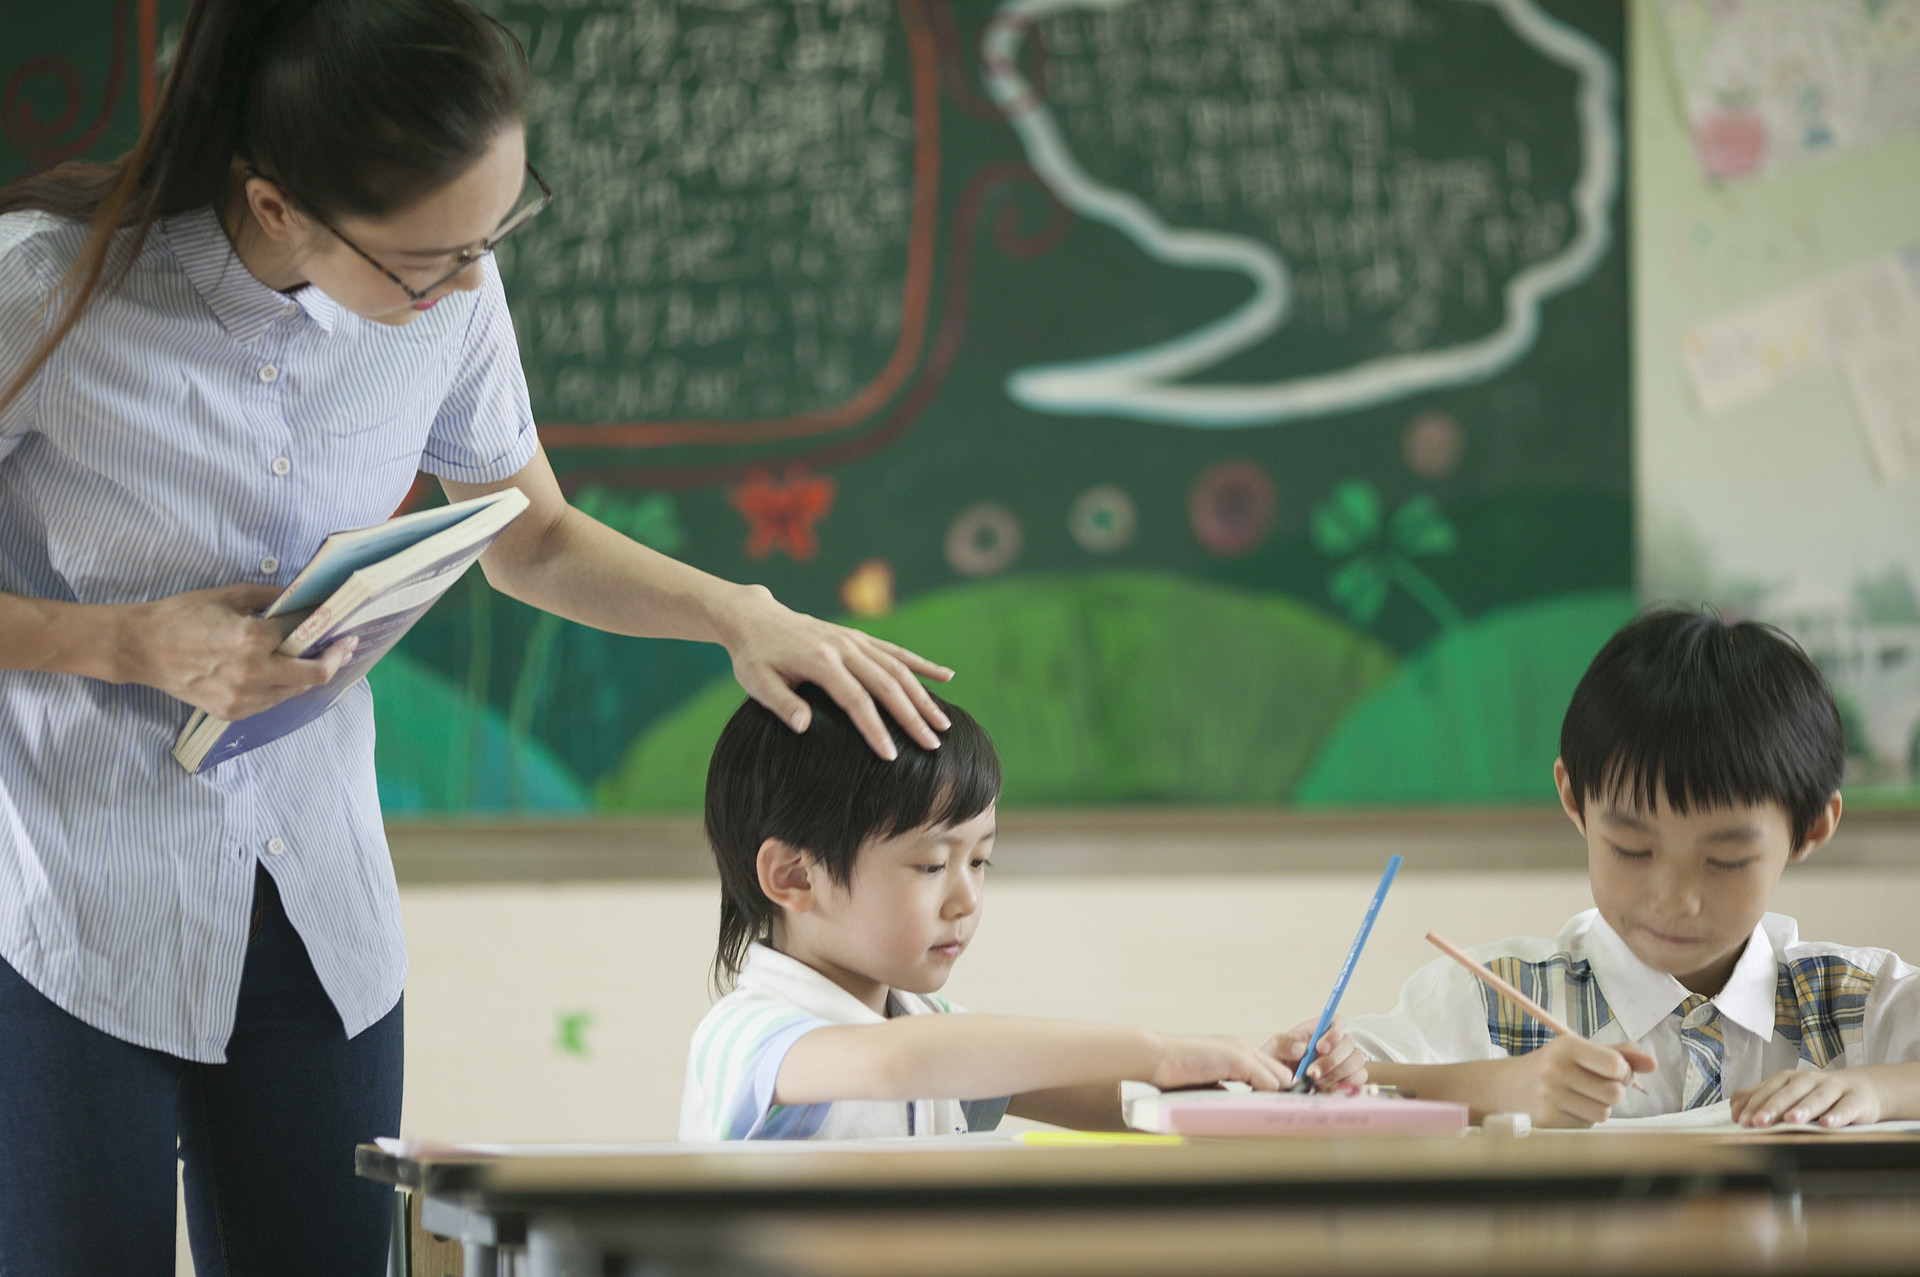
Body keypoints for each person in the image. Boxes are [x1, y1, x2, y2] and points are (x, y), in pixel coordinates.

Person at [0, 1, 953, 1271]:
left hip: (319, 905)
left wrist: (741, 614)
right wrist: (132, 646)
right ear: (279, 205)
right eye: (425, 262)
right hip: (69, 905)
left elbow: (531, 536)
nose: (464, 282)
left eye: (492, 235)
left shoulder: (451, 289)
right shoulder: (44, 288)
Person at [680, 684, 1367, 1141]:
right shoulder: (748, 1034)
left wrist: (1252, 1082)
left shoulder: (923, 1026)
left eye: (980, 861)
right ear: (793, 875)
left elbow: (1119, 1103)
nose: (967, 897)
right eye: (930, 865)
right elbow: (900, 1064)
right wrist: (1157, 1050)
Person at [1354, 609, 1920, 1129]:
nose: (1674, 898)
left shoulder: (1858, 1004)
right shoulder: (1486, 998)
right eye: (1631, 848)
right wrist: (1495, 1089)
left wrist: (1880, 1090)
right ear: (1575, 802)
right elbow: (1308, 1097)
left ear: (1811, 829)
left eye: (1725, 859)